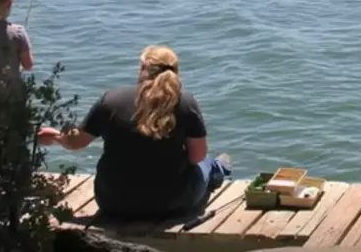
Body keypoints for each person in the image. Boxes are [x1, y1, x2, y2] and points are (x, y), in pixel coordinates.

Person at [37, 45, 231, 220]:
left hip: (113, 201)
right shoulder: (185, 102)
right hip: (173, 202)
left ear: (142, 69)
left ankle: (218, 167)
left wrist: (55, 137)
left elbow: (76, 143)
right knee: (207, 162)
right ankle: (220, 168)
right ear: (176, 72)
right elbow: (196, 156)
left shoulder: (111, 99)